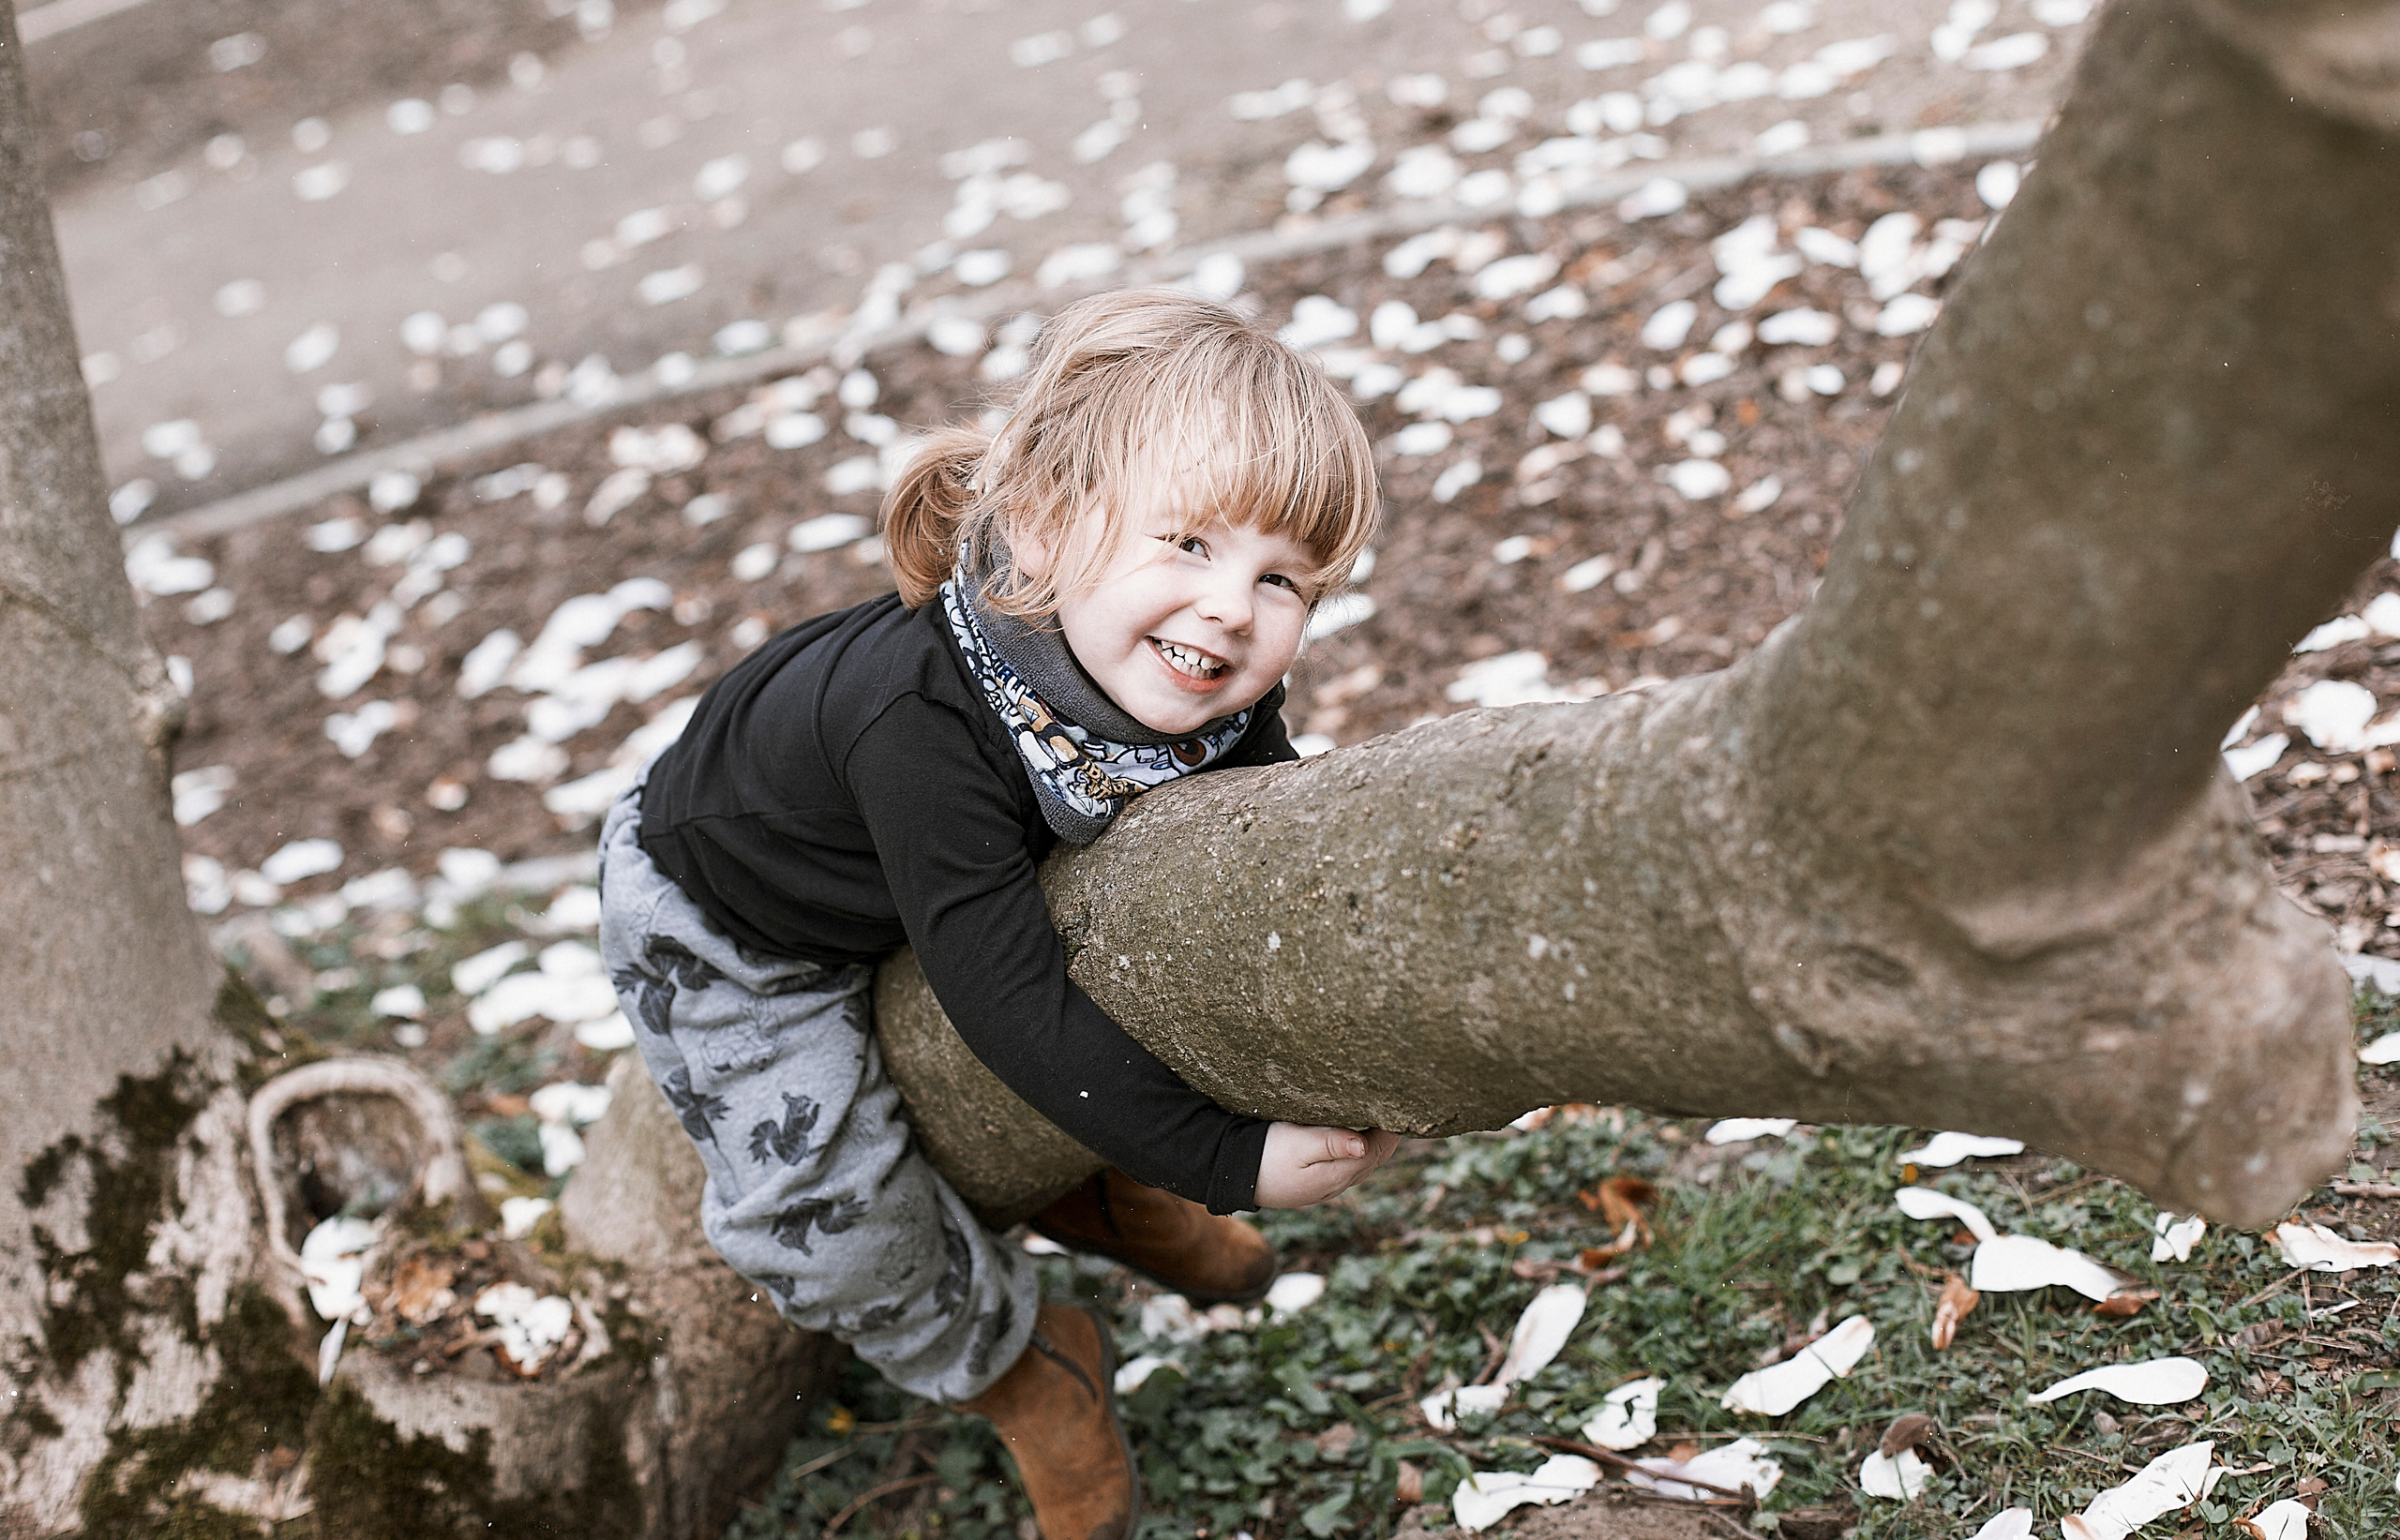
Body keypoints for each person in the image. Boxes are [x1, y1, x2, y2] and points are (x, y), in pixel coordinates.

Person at [598, 288, 1401, 1539]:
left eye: (1281, 576)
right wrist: (1221, 1157)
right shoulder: (918, 725)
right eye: (1187, 544)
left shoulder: (1194, 661)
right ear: (1041, 527)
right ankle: (1031, 1370)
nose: (1235, 609)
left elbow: (1267, 850)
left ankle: (1097, 1195)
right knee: (817, 1218)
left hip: (916, 870)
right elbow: (1008, 1001)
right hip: (728, 919)